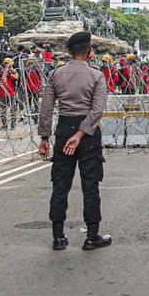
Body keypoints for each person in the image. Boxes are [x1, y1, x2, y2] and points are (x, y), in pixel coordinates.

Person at [38, 32, 112, 251]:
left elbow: (46, 108)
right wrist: (80, 134)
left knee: (60, 184)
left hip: (63, 129)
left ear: (69, 52)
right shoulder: (96, 76)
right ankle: (92, 236)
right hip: (87, 134)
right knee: (90, 185)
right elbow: (97, 110)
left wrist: (44, 137)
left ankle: (58, 236)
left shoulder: (55, 75)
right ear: (89, 52)